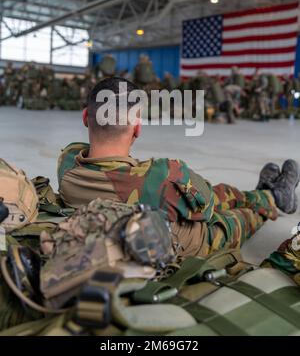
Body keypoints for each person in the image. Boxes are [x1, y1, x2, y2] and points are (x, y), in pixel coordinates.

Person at [57, 77, 299, 259]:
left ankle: (265, 193)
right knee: (235, 217)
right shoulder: (162, 174)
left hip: (118, 224)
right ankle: (272, 199)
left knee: (218, 191)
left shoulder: (67, 162)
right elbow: (207, 210)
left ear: (86, 116)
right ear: (137, 127)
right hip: (193, 241)